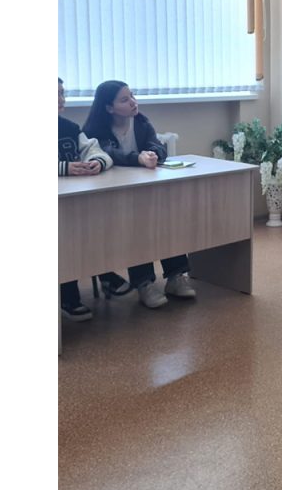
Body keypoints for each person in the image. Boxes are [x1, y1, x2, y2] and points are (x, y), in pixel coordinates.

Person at [83, 80, 196, 308]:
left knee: (165, 219)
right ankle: (143, 283)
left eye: (132, 96)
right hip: (111, 197)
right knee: (137, 226)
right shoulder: (94, 131)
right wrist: (138, 158)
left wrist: (153, 153)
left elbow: (158, 146)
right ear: (109, 108)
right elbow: (109, 154)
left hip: (144, 191)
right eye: (125, 100)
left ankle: (176, 276)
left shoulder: (141, 121)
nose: (133, 102)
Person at [58, 77, 117, 321]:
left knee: (98, 223)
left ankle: (105, 272)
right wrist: (64, 168)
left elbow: (95, 150)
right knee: (63, 237)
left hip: (71, 201)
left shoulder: (70, 128)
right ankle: (68, 296)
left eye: (62, 93)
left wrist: (97, 162)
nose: (61, 99)